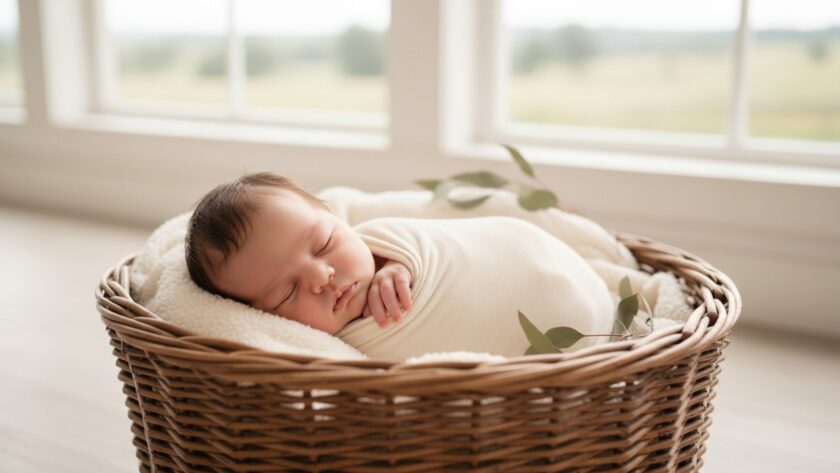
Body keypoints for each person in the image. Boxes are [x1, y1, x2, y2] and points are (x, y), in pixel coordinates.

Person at [185, 172, 411, 335]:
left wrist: (404, 264)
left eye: (324, 244)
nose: (321, 277)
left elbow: (438, 244)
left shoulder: (388, 239)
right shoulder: (314, 350)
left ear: (335, 216)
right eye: (288, 292)